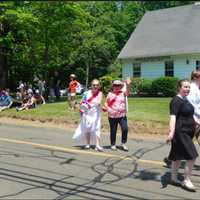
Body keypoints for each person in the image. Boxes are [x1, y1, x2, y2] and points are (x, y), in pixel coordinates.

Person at [166, 79, 198, 192]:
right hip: (181, 132)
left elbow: (190, 114)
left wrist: (198, 122)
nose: (187, 89)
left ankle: (173, 178)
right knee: (192, 155)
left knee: (177, 156)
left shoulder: (185, 100)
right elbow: (173, 117)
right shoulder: (175, 101)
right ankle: (186, 180)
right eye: (185, 87)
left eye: (189, 87)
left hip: (188, 132)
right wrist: (171, 132)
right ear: (179, 87)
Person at [73, 79, 103, 151]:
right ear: (91, 86)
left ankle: (97, 145)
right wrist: (79, 106)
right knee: (87, 128)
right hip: (87, 113)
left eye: (97, 85)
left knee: (97, 128)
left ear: (99, 86)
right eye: (94, 85)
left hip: (95, 114)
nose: (95, 86)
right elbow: (82, 102)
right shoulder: (86, 93)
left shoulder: (100, 93)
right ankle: (87, 144)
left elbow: (98, 101)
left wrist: (97, 104)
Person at [102, 78, 131, 151]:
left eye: (118, 85)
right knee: (113, 130)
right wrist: (106, 107)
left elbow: (127, 92)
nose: (117, 86)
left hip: (122, 115)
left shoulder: (123, 93)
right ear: (113, 86)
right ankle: (113, 144)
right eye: (115, 85)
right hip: (112, 116)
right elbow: (106, 103)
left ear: (121, 86)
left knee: (125, 129)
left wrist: (128, 84)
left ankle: (123, 143)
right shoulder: (110, 94)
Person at [187, 70, 200, 142]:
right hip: (194, 121)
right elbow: (191, 106)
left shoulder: (197, 89)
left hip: (197, 120)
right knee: (187, 143)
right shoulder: (192, 89)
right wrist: (196, 120)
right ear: (195, 78)